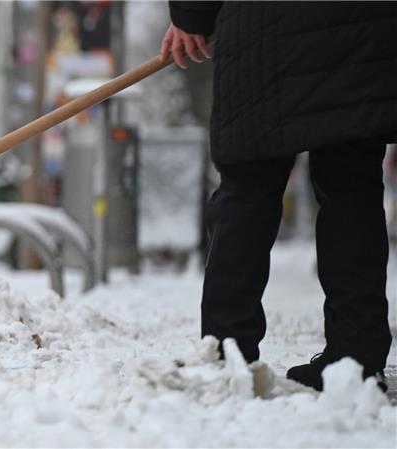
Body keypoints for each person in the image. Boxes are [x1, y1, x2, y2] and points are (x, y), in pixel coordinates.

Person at [160, 1, 397, 392]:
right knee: (352, 187)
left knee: (248, 184)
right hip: (365, 28)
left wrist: (191, 15)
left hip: (265, 25)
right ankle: (357, 357)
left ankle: (226, 350)